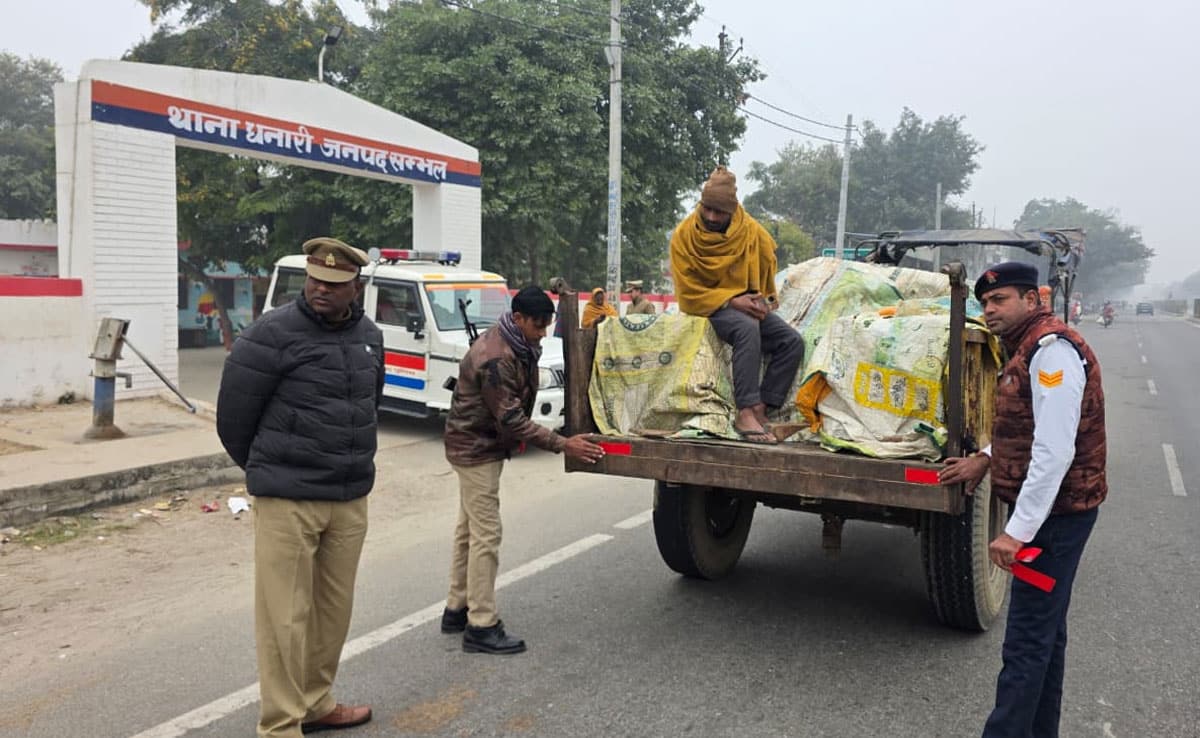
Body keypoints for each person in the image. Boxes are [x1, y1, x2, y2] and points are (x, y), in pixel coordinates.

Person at [217, 237, 383, 737]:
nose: (320, 291)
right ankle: (281, 724)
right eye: (314, 280)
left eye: (334, 285)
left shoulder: (370, 337)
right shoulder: (269, 335)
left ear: (356, 287)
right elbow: (233, 420)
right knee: (283, 621)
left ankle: (315, 703)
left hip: (349, 498)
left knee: (332, 615)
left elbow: (369, 405)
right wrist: (272, 473)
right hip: (288, 499)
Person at [940, 261, 1107, 738]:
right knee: (1047, 637)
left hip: (1055, 519)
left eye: (1001, 300)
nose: (990, 310)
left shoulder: (1052, 353)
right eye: (986, 303)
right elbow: (1031, 429)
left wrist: (1017, 532)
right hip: (1059, 512)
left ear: (1032, 300)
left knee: (1027, 641)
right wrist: (986, 458)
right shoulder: (1029, 347)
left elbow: (1055, 450)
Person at [441, 286, 606, 654]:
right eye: (538, 324)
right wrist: (565, 444)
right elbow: (513, 419)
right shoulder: (497, 357)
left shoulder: (514, 340)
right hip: (475, 448)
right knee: (487, 534)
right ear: (518, 319)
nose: (543, 332)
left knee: (468, 529)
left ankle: (457, 607)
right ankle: (480, 625)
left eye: (548, 324)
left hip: (477, 442)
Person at [669, 166, 804, 444]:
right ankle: (744, 411)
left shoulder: (749, 230)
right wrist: (730, 300)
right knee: (746, 328)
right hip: (707, 305)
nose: (711, 217)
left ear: (732, 210)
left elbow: (765, 259)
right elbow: (687, 291)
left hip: (744, 301)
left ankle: (760, 407)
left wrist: (761, 300)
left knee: (791, 342)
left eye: (719, 212)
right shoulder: (684, 236)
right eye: (707, 209)